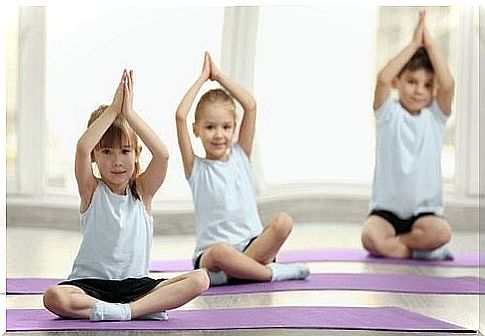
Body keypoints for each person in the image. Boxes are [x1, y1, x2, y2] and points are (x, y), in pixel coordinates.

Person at [43, 70, 209, 321]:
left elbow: (162, 154)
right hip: (89, 286)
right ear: (94, 157)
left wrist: (128, 113)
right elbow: (82, 147)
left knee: (200, 279)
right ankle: (135, 310)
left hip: (136, 288)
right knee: (54, 297)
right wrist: (113, 109)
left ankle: (125, 311)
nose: (117, 161)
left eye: (125, 151)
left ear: (136, 153)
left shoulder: (143, 192)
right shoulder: (91, 190)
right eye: (107, 152)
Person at [175, 52, 310, 286]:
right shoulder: (196, 168)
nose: (219, 134)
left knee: (284, 221)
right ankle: (271, 273)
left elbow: (250, 105)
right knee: (220, 252)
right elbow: (180, 116)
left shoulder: (240, 156)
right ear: (196, 130)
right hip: (213, 256)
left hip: (252, 245)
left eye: (226, 127)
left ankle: (234, 274)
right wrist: (201, 79)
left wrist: (218, 76)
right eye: (210, 127)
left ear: (234, 128)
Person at [361, 10, 454, 260]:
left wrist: (430, 44)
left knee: (441, 232)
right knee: (370, 238)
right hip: (386, 212)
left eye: (427, 85)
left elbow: (448, 85)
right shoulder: (387, 113)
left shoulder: (435, 117)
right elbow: (382, 78)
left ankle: (401, 246)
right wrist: (414, 45)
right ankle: (421, 252)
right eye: (412, 81)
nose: (418, 90)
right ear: (398, 82)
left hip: (424, 214)